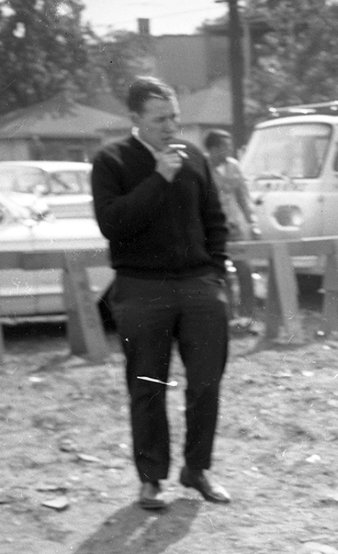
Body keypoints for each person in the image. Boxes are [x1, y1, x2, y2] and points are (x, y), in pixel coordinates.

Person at [91, 76, 232, 510]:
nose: (171, 128)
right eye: (160, 120)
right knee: (148, 385)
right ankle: (151, 479)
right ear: (135, 120)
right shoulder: (111, 160)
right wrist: (157, 179)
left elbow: (215, 218)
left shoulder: (194, 157)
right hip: (141, 287)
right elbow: (112, 224)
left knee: (206, 381)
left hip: (197, 285)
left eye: (174, 117)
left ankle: (197, 469)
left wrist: (215, 274)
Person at [203, 129, 261, 333]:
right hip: (212, 230)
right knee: (221, 275)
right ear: (214, 148)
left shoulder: (233, 166)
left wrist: (252, 223)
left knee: (245, 271)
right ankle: (228, 318)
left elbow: (243, 196)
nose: (229, 149)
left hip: (236, 227)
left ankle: (248, 318)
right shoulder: (202, 168)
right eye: (225, 146)